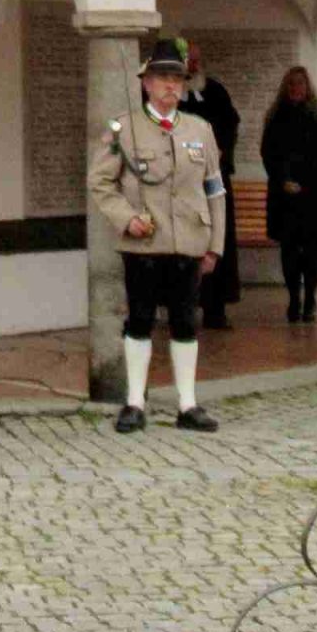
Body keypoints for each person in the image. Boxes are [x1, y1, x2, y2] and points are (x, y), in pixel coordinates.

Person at [89, 36, 224, 434]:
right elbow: (100, 182)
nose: (170, 86)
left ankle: (188, 404)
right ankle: (134, 402)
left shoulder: (200, 129)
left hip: (189, 241)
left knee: (185, 321)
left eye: (176, 79)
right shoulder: (124, 129)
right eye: (162, 78)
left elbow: (215, 189)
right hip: (144, 243)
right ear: (146, 83)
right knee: (140, 320)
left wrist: (215, 245)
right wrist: (126, 218)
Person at [259, 65, 317, 325]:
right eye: (291, 84)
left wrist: (303, 182)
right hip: (284, 194)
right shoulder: (275, 117)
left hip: (314, 192)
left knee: (313, 249)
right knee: (289, 250)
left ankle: (310, 298)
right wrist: (284, 180)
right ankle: (294, 297)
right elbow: (268, 153)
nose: (295, 89)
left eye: (300, 83)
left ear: (307, 86)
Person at [182, 45, 242, 328]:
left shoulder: (215, 91)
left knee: (217, 238)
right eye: (188, 61)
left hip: (213, 177)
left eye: (196, 61)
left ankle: (215, 308)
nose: (193, 67)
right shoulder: (171, 96)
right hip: (183, 181)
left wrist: (222, 149)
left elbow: (230, 124)